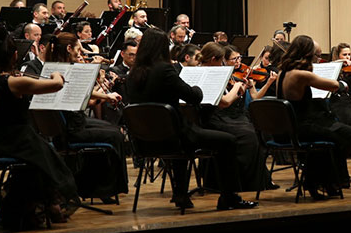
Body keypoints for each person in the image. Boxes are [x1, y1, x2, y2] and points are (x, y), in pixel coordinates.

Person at [125, 28, 257, 210]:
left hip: (145, 140)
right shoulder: (165, 70)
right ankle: (229, 197)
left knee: (181, 137)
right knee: (228, 141)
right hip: (175, 138)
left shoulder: (133, 74)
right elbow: (194, 97)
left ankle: (181, 195)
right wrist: (198, 86)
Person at [0, 24, 79, 227]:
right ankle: (51, 206)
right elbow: (56, 85)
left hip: (0, 140)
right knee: (52, 164)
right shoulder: (14, 82)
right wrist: (56, 74)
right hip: (19, 140)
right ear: (14, 55)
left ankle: (34, 209)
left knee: (40, 163)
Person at [43, 32, 128, 201]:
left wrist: (103, 94)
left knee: (109, 128)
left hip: (66, 125)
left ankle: (93, 187)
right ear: (69, 49)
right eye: (79, 49)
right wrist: (107, 95)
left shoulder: (53, 67)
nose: (81, 53)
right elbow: (85, 94)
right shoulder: (65, 70)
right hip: (71, 129)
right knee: (115, 135)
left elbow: (82, 97)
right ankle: (103, 189)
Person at [275, 35, 351, 198]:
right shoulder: (301, 74)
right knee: (343, 137)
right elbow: (334, 85)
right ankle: (317, 180)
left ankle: (323, 181)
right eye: (317, 56)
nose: (318, 59)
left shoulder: (282, 72)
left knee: (337, 135)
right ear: (306, 55)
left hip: (286, 127)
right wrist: (343, 84)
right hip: (300, 129)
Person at [199, 43, 273, 191]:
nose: (222, 65)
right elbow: (225, 102)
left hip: (226, 116)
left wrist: (240, 88)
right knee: (247, 135)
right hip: (213, 117)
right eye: (222, 62)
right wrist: (236, 87)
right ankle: (243, 183)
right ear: (214, 59)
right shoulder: (207, 74)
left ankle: (256, 181)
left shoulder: (224, 73)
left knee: (252, 131)